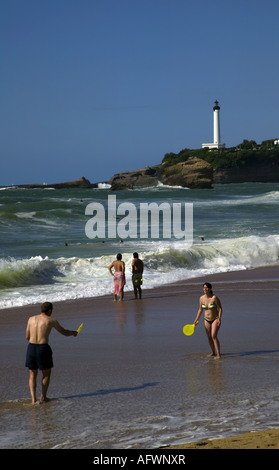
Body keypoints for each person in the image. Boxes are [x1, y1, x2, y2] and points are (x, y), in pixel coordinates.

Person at [25, 302, 77, 404]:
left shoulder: (31, 319)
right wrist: (73, 333)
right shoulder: (51, 320)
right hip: (43, 348)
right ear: (50, 310)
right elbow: (64, 332)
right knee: (46, 373)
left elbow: (27, 336)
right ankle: (43, 397)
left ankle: (33, 399)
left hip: (31, 347)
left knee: (32, 374)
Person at [194, 282, 222, 358]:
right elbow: (200, 310)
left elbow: (220, 308)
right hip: (206, 319)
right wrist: (196, 320)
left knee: (213, 336)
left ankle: (218, 354)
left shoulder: (214, 298)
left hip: (215, 319)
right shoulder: (201, 298)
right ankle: (213, 352)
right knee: (209, 337)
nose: (204, 289)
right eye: (203, 287)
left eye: (206, 287)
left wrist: (219, 318)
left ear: (210, 289)